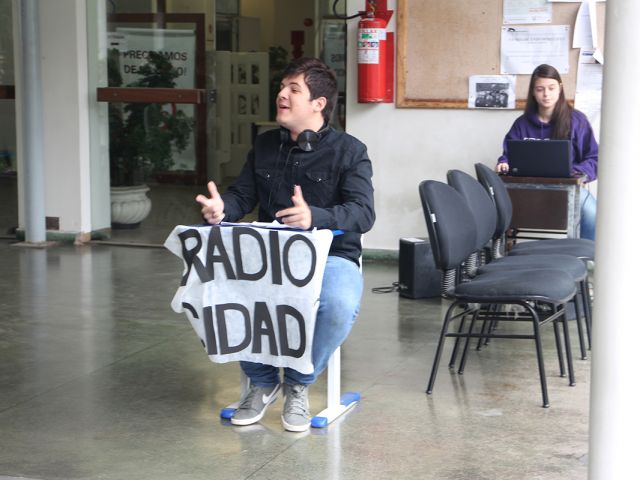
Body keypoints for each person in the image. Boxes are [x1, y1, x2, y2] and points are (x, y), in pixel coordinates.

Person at [195, 57, 375, 432]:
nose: (282, 94)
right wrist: (220, 210)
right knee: (215, 292)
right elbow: (241, 196)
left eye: (294, 89)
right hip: (270, 257)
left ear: (318, 104)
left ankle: (298, 382)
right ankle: (262, 382)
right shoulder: (263, 145)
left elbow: (363, 214)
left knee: (338, 305)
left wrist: (316, 218)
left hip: (330, 256)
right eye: (282, 87)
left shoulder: (350, 151)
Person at [495, 64, 598, 240]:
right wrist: (503, 163)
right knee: (495, 204)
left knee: (592, 212)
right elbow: (508, 154)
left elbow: (594, 159)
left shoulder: (577, 121)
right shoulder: (521, 124)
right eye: (540, 89)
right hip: (528, 192)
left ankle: (587, 259)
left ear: (560, 88)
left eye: (551, 88)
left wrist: (579, 173)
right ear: (533, 92)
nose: (546, 94)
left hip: (568, 192)